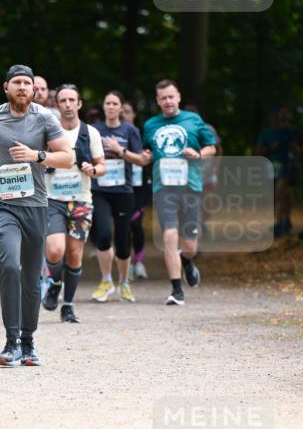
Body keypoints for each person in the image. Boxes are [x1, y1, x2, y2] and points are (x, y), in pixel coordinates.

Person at [0, 64, 73, 366]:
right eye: (16, 82)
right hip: (3, 206)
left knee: (31, 279)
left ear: (33, 89)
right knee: (11, 266)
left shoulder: (45, 118)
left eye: (26, 83)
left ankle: (29, 342)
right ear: (6, 87)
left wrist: (37, 156)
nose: (21, 87)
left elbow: (68, 157)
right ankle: (10, 342)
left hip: (34, 207)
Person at [140, 80, 216, 306]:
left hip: (190, 187)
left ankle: (187, 261)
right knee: (169, 236)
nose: (168, 101)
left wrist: (199, 154)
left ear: (178, 97)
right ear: (157, 101)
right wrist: (145, 157)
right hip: (163, 188)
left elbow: (211, 147)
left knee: (190, 244)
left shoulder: (193, 120)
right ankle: (176, 289)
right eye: (163, 98)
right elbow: (147, 150)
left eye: (171, 97)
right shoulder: (151, 125)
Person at [42, 84, 105, 323]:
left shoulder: (91, 133)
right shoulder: (48, 132)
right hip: (53, 199)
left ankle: (68, 305)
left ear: (79, 104)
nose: (68, 105)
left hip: (80, 200)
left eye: (72, 100)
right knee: (55, 249)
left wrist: (93, 168)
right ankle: (55, 281)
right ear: (56, 105)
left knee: (75, 254)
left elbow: (102, 165)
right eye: (63, 101)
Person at [90, 91, 143, 303]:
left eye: (115, 103)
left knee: (122, 240)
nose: (111, 107)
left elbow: (140, 160)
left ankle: (124, 282)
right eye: (107, 103)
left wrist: (119, 150)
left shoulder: (130, 130)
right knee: (102, 234)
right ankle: (106, 280)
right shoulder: (94, 130)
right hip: (100, 190)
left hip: (123, 192)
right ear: (103, 107)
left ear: (121, 108)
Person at [255, 106, 303, 237]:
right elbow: (258, 151)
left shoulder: (294, 132)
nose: (282, 118)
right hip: (272, 166)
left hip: (288, 164)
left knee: (282, 190)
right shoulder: (267, 133)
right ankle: (283, 221)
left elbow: (302, 150)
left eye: (285, 115)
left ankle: (282, 221)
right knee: (279, 194)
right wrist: (270, 148)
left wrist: (296, 148)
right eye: (280, 114)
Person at [121, 99, 151, 281]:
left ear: (134, 114)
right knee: (124, 226)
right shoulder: (113, 135)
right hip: (121, 186)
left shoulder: (141, 135)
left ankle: (139, 262)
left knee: (136, 224)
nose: (124, 114)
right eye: (121, 110)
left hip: (140, 187)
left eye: (127, 111)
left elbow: (148, 156)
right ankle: (127, 264)